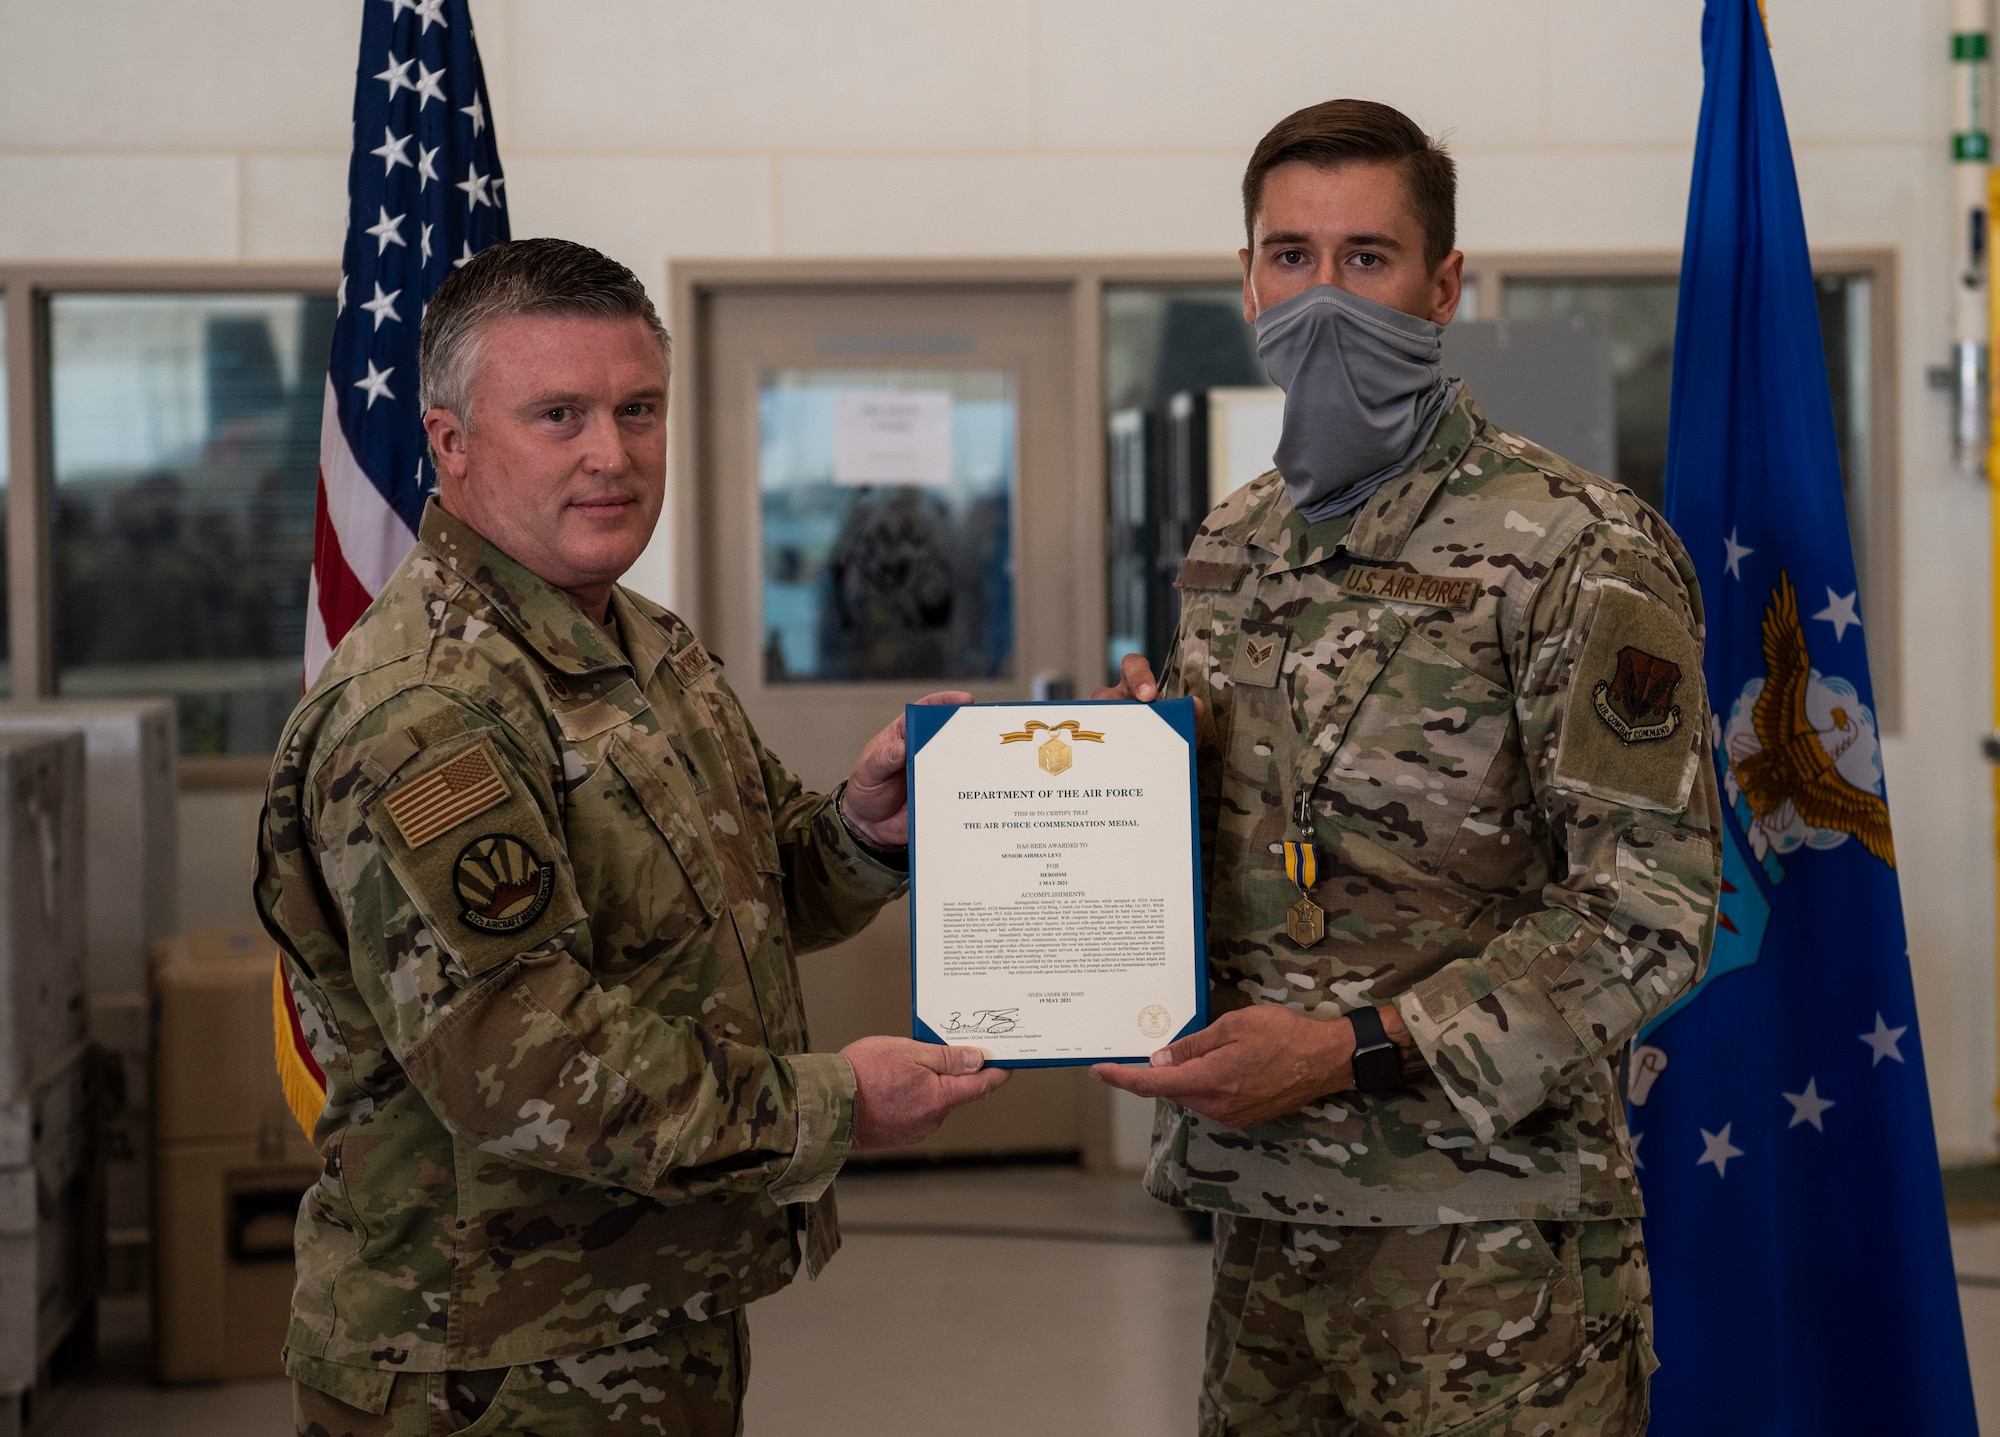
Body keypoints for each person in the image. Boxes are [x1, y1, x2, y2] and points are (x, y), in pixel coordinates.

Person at [256, 237, 1007, 1437]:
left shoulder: (641, 645)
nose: (611, 454)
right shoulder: (426, 711)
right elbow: (523, 1059)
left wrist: (865, 830)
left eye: (637, 409)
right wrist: (832, 1107)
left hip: (642, 1310)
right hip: (487, 1366)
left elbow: (748, 898)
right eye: (558, 415)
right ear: (450, 445)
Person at [1093, 100, 1722, 1436]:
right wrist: (1120, 787)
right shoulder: (1231, 543)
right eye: (1291, 258)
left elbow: (1647, 913)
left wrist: (1348, 1053)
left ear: (1443, 287)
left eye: (1366, 260)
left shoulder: (1576, 546)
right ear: (1248, 279)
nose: (1323, 301)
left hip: (1491, 1249)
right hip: (1265, 1222)